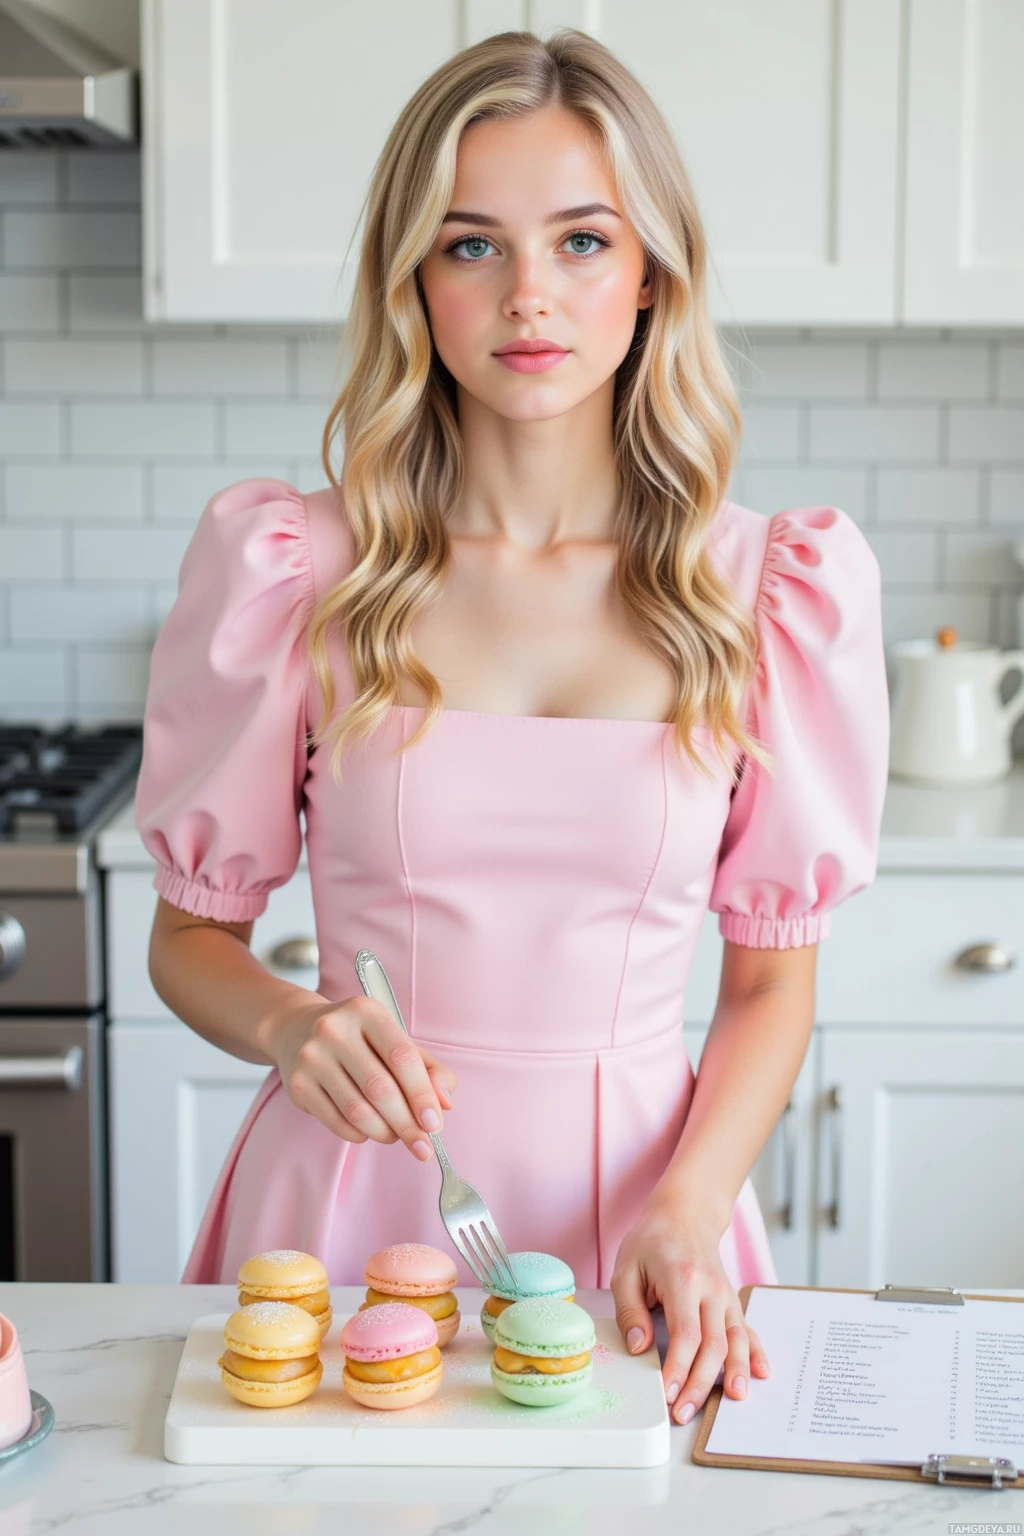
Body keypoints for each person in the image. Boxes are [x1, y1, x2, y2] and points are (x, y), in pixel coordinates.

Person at [135, 28, 889, 1428]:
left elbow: (774, 983)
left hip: (655, 1219)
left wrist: (694, 1200)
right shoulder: (295, 571)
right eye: (472, 245)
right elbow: (189, 942)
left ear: (653, 270)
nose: (529, 295)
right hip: (342, 1202)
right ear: (413, 279)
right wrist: (295, 1026)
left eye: (584, 242)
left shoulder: (768, 592)